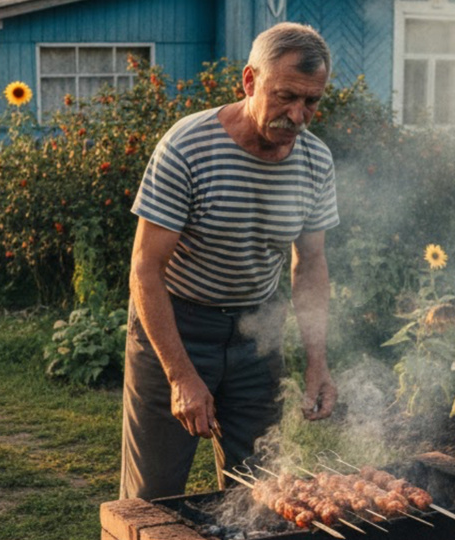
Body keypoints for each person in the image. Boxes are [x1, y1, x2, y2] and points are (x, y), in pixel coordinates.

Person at [121, 22, 341, 500]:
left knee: (260, 493)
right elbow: (145, 268)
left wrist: (317, 363)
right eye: (285, 96)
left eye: (311, 102)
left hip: (256, 335)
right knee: (155, 498)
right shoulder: (187, 147)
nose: (298, 115)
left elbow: (311, 264)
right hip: (176, 325)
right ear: (249, 81)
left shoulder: (315, 162)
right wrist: (181, 375)